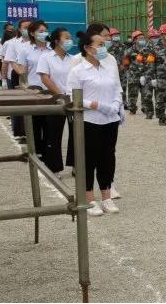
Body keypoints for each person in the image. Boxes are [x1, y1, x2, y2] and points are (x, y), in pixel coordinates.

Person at [66, 30, 124, 216]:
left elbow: (117, 89)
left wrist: (115, 105)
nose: (104, 47)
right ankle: (89, 198)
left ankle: (106, 197)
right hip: (89, 120)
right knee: (89, 159)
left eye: (104, 44)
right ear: (87, 48)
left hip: (110, 120)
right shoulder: (78, 71)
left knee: (107, 158)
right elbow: (72, 96)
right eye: (100, 44)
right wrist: (96, 105)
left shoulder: (108, 68)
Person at [36, 28, 73, 177]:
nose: (70, 41)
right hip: (54, 100)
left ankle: (76, 165)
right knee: (53, 134)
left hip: (72, 100)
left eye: (70, 38)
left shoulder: (73, 59)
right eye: (66, 38)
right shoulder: (46, 57)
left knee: (76, 133)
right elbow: (45, 78)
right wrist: (59, 95)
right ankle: (54, 167)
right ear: (57, 41)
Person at [17, 20, 52, 158]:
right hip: (34, 91)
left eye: (45, 31)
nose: (44, 33)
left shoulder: (52, 48)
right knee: (35, 124)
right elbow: (22, 71)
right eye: (40, 31)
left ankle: (48, 154)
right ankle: (36, 153)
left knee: (49, 124)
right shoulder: (25, 49)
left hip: (51, 91)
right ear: (32, 33)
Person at [3, 17, 34, 140]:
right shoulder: (13, 43)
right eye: (25, 27)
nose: (28, 30)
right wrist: (5, 79)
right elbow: (9, 61)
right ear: (20, 29)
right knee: (18, 104)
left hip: (33, 75)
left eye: (30, 27)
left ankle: (32, 132)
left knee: (33, 104)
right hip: (17, 75)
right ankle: (20, 133)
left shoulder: (36, 42)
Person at [151, 23, 166, 125]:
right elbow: (151, 63)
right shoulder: (155, 48)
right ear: (161, 35)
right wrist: (153, 77)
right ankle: (161, 118)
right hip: (160, 77)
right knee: (160, 99)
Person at [138, 28, 160, 121]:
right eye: (153, 37)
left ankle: (160, 115)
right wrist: (141, 75)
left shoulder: (161, 48)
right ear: (149, 38)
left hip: (158, 75)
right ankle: (149, 113)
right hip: (147, 76)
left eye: (156, 37)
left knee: (159, 97)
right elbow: (140, 62)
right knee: (147, 96)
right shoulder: (144, 50)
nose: (155, 39)